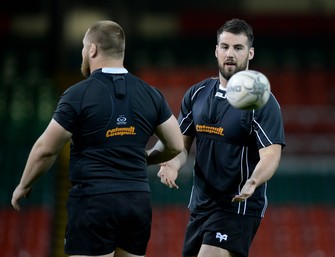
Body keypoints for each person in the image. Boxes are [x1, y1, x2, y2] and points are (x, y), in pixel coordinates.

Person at [11, 20, 184, 257]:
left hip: (94, 202)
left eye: (84, 48)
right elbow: (175, 144)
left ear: (92, 50)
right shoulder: (151, 93)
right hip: (137, 202)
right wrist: (146, 158)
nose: (83, 53)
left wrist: (24, 184)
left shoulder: (77, 94)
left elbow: (45, 149)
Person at [154, 18, 286, 257]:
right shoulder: (197, 94)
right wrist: (172, 164)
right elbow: (181, 146)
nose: (230, 54)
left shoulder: (261, 101)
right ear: (216, 50)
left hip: (238, 206)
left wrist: (254, 181)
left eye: (238, 48)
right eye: (224, 47)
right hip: (201, 206)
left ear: (251, 53)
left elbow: (271, 154)